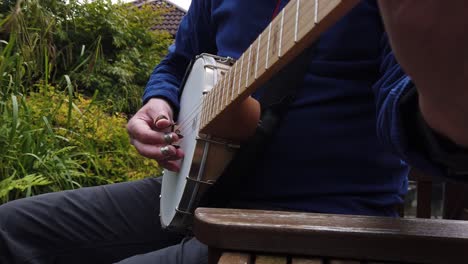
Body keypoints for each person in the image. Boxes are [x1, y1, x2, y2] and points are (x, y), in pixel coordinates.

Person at [1, 0, 467, 263]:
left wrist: (450, 95)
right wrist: (158, 100)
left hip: (318, 222)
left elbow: (409, 109)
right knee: (11, 230)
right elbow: (180, 59)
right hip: (197, 189)